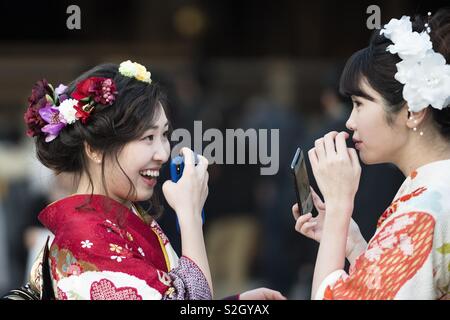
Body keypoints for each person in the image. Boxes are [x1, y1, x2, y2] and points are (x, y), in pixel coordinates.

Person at [23, 60, 285, 300]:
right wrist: (191, 216)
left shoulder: (121, 217)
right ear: (95, 149)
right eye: (148, 138)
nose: (162, 153)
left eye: (164, 135)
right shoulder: (84, 241)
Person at [293, 9, 450, 300]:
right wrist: (353, 245)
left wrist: (339, 206)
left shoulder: (423, 210)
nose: (350, 121)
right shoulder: (437, 188)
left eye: (360, 103)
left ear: (413, 112)